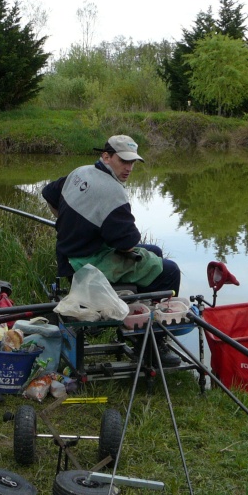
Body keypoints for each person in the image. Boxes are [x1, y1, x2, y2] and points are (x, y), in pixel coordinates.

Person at [42, 134, 182, 364]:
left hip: (68, 257)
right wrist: (128, 251)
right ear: (106, 157)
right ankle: (151, 347)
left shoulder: (81, 172)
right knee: (170, 271)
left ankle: (131, 319)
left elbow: (49, 194)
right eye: (123, 161)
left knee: (154, 251)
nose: (128, 168)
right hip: (88, 265)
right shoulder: (113, 192)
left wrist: (68, 224)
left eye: (132, 162)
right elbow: (127, 244)